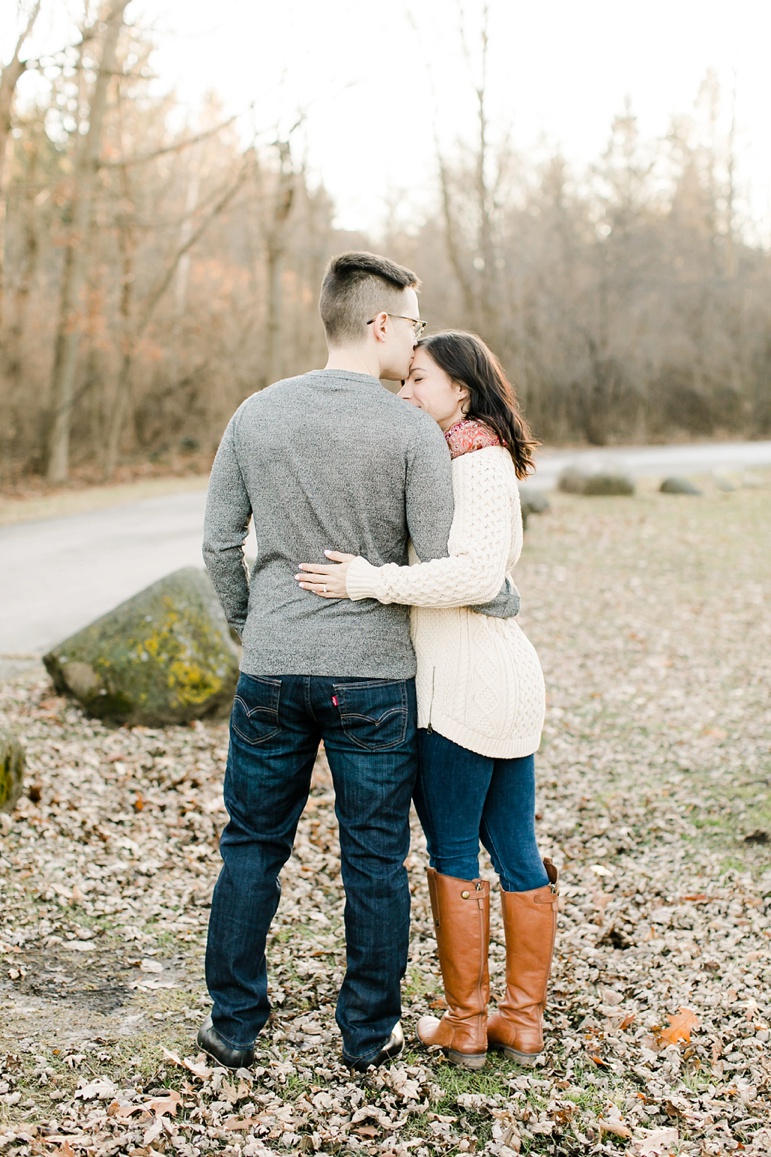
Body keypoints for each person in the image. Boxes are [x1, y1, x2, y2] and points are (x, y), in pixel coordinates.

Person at [199, 253, 516, 1073]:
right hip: (373, 677)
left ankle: (233, 1025)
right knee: (374, 855)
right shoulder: (409, 430)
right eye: (411, 324)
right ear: (379, 324)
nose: (413, 342)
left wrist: (251, 623)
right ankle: (366, 1032)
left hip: (272, 665)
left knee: (250, 845)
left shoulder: (255, 414)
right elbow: (441, 554)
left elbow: (217, 541)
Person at [296, 330, 559, 1070]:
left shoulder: (473, 461)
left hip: (464, 687)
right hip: (501, 676)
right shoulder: (473, 456)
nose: (404, 392)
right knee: (514, 846)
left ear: (460, 392)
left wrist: (367, 579)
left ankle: (467, 1022)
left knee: (452, 849)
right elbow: (487, 573)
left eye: (417, 380)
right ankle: (521, 1021)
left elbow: (473, 577)